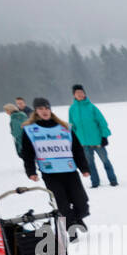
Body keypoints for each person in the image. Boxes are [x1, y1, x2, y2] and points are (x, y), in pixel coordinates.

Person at [20, 97, 88, 234]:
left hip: (69, 170)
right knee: (62, 204)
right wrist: (31, 171)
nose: (44, 111)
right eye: (40, 109)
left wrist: (84, 168)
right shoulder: (30, 130)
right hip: (50, 173)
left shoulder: (64, 128)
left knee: (81, 203)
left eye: (46, 108)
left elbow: (77, 149)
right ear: (36, 111)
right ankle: (71, 229)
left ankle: (77, 217)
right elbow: (27, 153)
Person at [68, 84, 118, 189]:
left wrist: (104, 136)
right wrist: (74, 140)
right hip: (83, 143)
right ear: (74, 95)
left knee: (105, 161)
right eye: (77, 93)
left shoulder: (92, 107)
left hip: (97, 141)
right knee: (89, 164)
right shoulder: (72, 109)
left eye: (81, 92)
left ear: (85, 93)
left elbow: (102, 122)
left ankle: (113, 180)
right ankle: (95, 182)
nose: (80, 95)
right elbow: (72, 126)